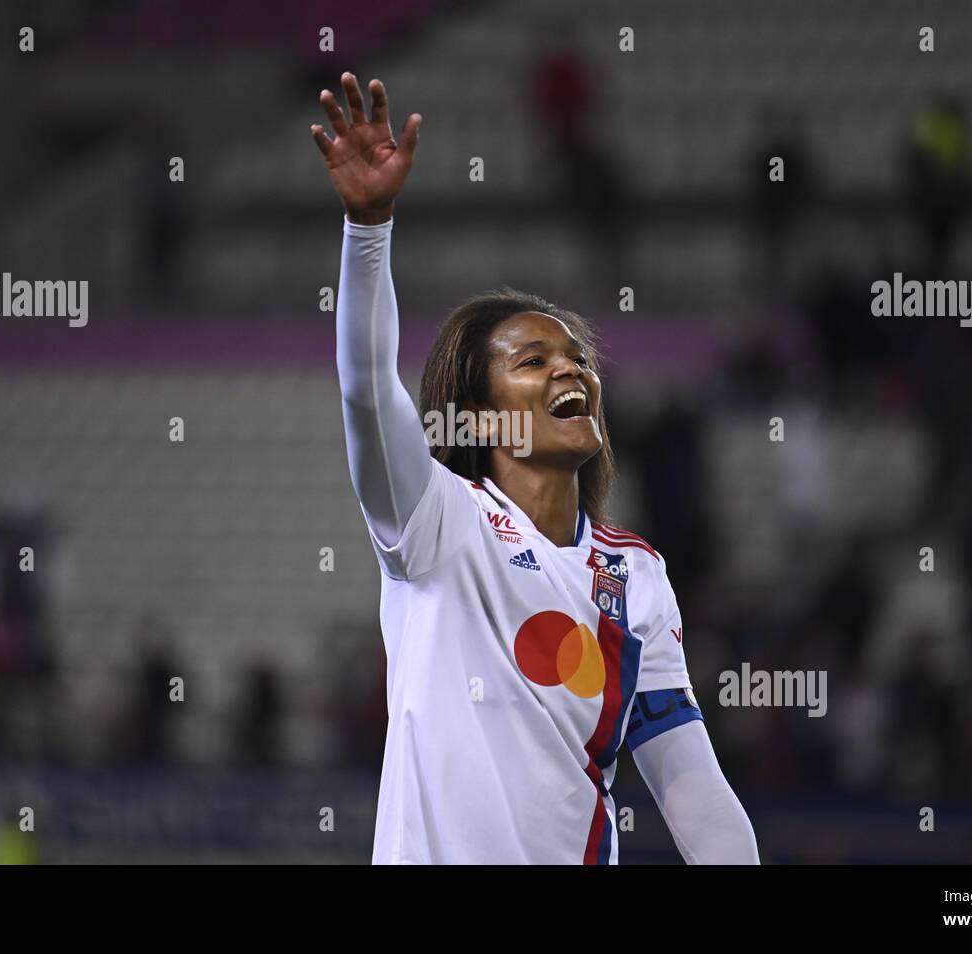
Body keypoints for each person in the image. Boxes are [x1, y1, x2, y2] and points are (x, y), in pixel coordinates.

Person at [311, 72, 758, 864]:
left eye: (578, 357)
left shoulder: (636, 575)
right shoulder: (436, 524)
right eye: (533, 359)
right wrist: (369, 227)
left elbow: (693, 789)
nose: (571, 371)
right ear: (479, 412)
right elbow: (365, 388)